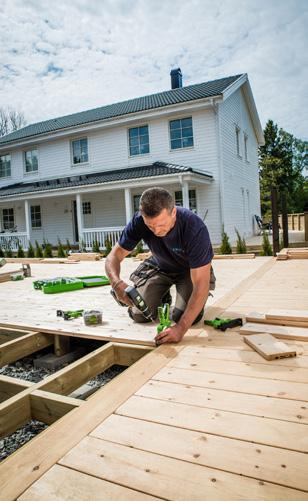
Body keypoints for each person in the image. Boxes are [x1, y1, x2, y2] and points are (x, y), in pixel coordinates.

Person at [105, 187, 214, 345]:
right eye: (151, 226)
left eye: (161, 225)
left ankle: (171, 302)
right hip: (160, 265)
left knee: (184, 317)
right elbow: (112, 257)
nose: (156, 231)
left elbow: (201, 286)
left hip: (189, 270)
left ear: (173, 213)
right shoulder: (139, 222)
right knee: (139, 315)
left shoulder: (194, 228)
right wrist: (116, 283)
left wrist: (181, 328)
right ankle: (162, 297)